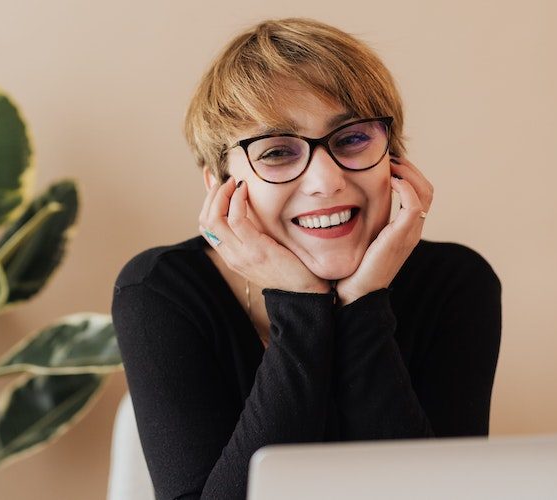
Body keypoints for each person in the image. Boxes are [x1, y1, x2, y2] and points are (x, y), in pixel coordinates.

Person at [112, 18, 501, 500]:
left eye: (353, 138)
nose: (326, 180)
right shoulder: (161, 291)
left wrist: (362, 302)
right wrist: (299, 305)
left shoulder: (456, 283)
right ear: (219, 186)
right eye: (276, 151)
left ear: (394, 159)